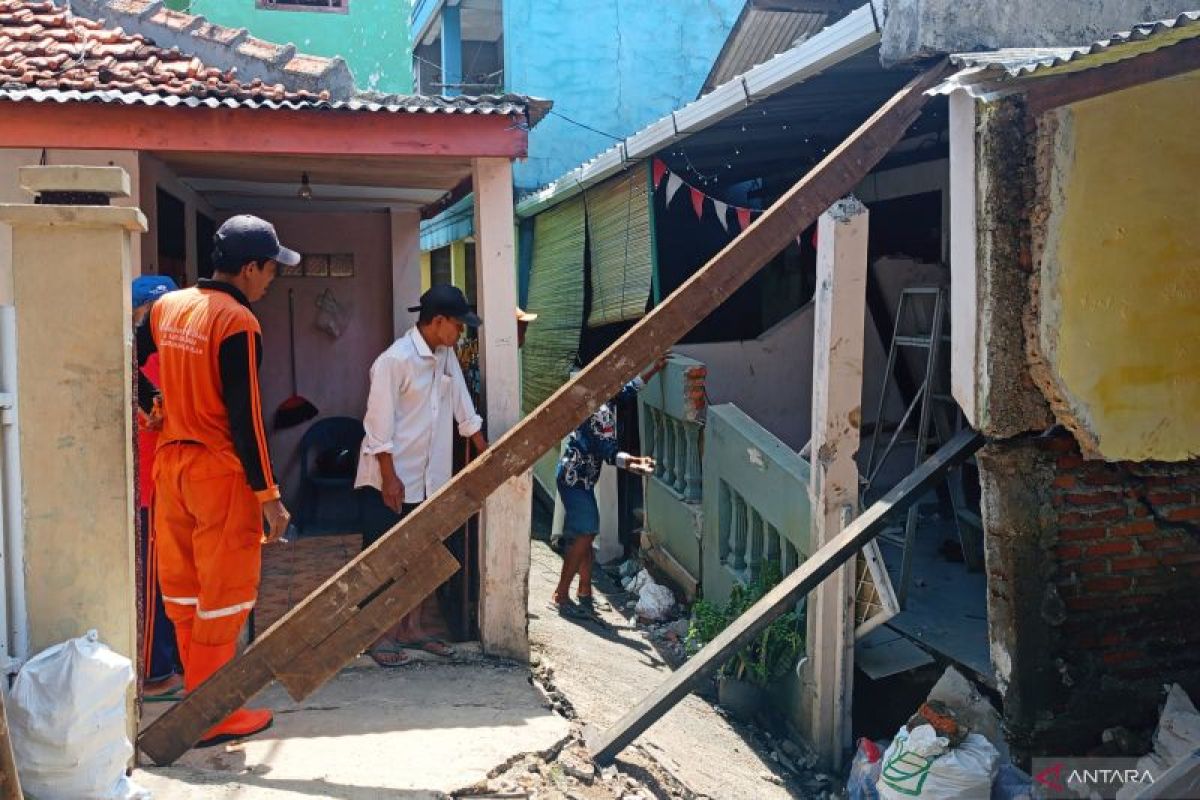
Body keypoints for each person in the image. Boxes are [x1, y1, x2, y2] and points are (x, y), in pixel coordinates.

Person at [137, 214, 295, 746]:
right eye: (271, 269)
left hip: (171, 466)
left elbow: (132, 355)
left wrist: (150, 407)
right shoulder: (237, 322)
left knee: (182, 591)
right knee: (224, 591)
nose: (271, 279)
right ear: (249, 267)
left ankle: (197, 698)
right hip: (218, 473)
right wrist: (269, 496)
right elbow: (247, 418)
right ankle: (214, 714)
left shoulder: (166, 306)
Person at [355, 284, 488, 667]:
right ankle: (380, 636)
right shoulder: (393, 361)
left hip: (431, 478)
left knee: (422, 558)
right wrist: (389, 477)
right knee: (385, 561)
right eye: (458, 325)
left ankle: (411, 629)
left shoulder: (446, 357)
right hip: (391, 478)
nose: (461, 333)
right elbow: (377, 426)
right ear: (439, 321)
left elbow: (466, 414)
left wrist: (490, 456)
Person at [552, 357, 666, 618]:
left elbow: (627, 391)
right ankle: (561, 593)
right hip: (575, 479)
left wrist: (653, 369)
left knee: (586, 533)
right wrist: (636, 463)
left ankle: (584, 591)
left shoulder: (601, 398)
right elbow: (609, 453)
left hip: (577, 476)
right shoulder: (600, 412)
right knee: (587, 532)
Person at [132, 275, 183, 701]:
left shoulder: (163, 360)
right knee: (155, 584)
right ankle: (154, 672)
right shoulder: (142, 363)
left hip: (170, 485)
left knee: (172, 580)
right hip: (151, 488)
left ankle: (170, 663)